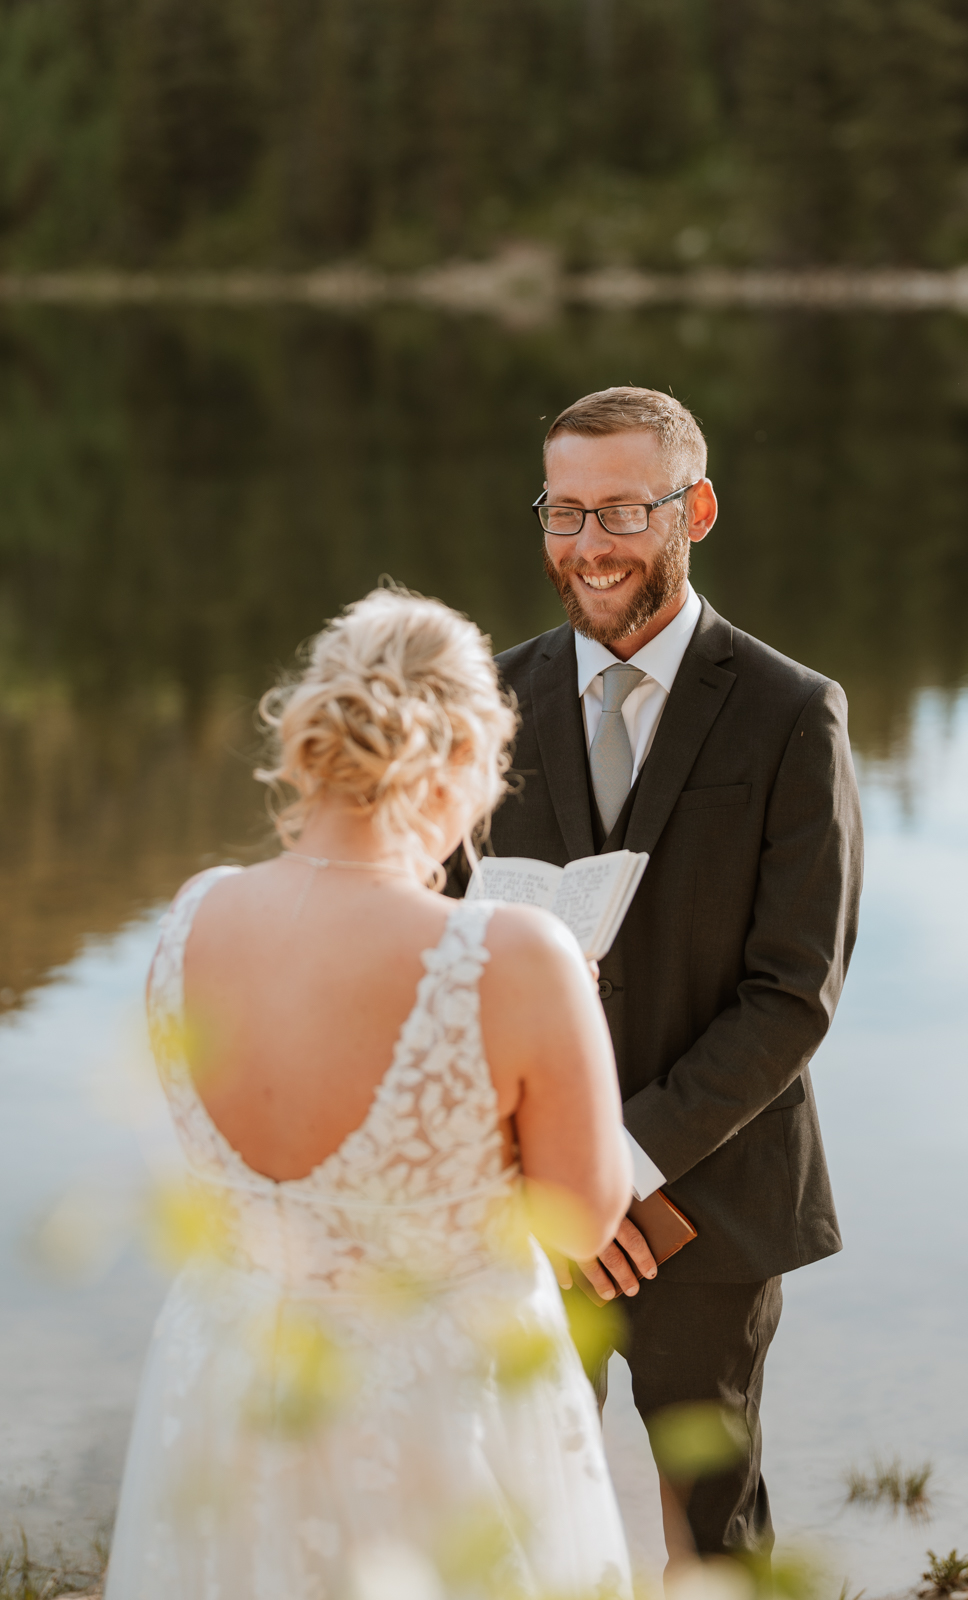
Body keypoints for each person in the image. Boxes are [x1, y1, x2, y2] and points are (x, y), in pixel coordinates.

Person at [104, 590, 635, 1600]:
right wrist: (574, 1018)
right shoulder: (515, 954)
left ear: (309, 737)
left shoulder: (190, 914)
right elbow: (581, 1217)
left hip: (224, 1383)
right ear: (467, 756)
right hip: (437, 1410)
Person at [471, 387, 863, 1565]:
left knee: (710, 1530)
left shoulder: (793, 712)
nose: (588, 546)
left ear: (692, 508)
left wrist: (619, 1165)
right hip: (527, 1208)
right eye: (563, 511)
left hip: (712, 1198)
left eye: (623, 511)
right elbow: (442, 961)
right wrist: (547, 1176)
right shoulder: (485, 702)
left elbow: (792, 991)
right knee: (528, 1519)